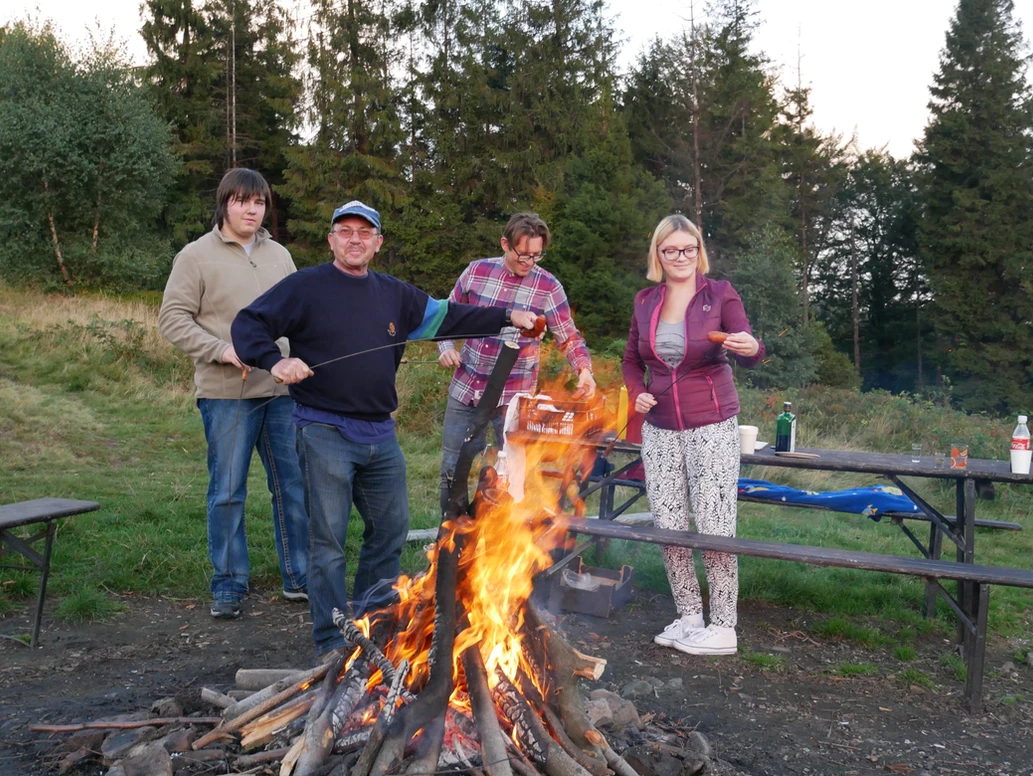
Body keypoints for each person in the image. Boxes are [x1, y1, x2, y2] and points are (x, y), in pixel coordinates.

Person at [231, 200, 539, 658]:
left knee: (391, 532)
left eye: (364, 233)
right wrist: (275, 361)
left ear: (378, 243)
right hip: (322, 430)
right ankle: (332, 641)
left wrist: (505, 317)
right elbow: (248, 323)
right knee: (328, 543)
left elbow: (449, 315)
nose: (354, 240)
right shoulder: (305, 287)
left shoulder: (395, 294)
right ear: (331, 240)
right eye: (345, 231)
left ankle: (371, 628)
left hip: (380, 434)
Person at [158, 168, 309, 620]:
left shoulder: (280, 255)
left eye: (259, 202)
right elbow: (172, 319)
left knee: (292, 486)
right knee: (227, 491)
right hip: (227, 394)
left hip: (280, 393)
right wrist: (221, 350)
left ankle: (299, 576)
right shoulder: (195, 256)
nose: (252, 210)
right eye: (243, 201)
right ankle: (228, 582)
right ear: (225, 203)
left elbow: (300, 314)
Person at [622, 214, 764, 656]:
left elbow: (748, 348)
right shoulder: (645, 300)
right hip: (659, 429)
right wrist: (638, 393)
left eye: (688, 248)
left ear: (698, 251)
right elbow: (631, 361)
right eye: (671, 250)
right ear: (658, 254)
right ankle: (689, 617)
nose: (680, 256)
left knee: (714, 523)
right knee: (668, 524)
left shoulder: (720, 294)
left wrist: (751, 347)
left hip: (712, 424)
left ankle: (723, 627)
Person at [437, 212, 595, 510]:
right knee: (452, 469)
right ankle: (450, 531)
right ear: (505, 244)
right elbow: (446, 315)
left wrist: (584, 370)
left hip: (514, 399)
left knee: (512, 475)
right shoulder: (476, 272)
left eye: (536, 255)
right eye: (523, 254)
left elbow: (569, 337)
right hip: (467, 389)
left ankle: (502, 533)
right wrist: (445, 347)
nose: (529, 262)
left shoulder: (548, 286)